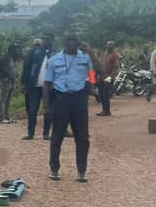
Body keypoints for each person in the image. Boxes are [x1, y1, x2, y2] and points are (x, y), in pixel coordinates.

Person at [43, 32, 96, 182]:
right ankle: (54, 169)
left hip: (79, 99)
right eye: (69, 40)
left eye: (75, 40)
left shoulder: (85, 58)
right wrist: (46, 107)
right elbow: (47, 84)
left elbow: (93, 73)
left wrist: (91, 86)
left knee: (82, 137)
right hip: (61, 99)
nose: (72, 43)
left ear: (78, 42)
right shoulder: (54, 60)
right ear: (64, 42)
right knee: (57, 136)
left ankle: (82, 171)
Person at [0, 44, 19, 124]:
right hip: (5, 81)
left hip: (11, 80)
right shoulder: (4, 57)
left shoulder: (12, 58)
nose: (17, 51)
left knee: (8, 100)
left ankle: (7, 117)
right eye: (15, 49)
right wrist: (1, 76)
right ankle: (2, 118)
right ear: (11, 50)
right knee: (2, 100)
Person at [97, 41, 120, 117]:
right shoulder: (104, 54)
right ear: (106, 46)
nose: (109, 47)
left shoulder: (115, 56)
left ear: (113, 47)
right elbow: (100, 64)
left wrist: (111, 77)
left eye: (111, 46)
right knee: (101, 93)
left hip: (109, 76)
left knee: (105, 93)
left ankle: (107, 110)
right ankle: (104, 109)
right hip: (102, 76)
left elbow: (116, 67)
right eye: (108, 45)